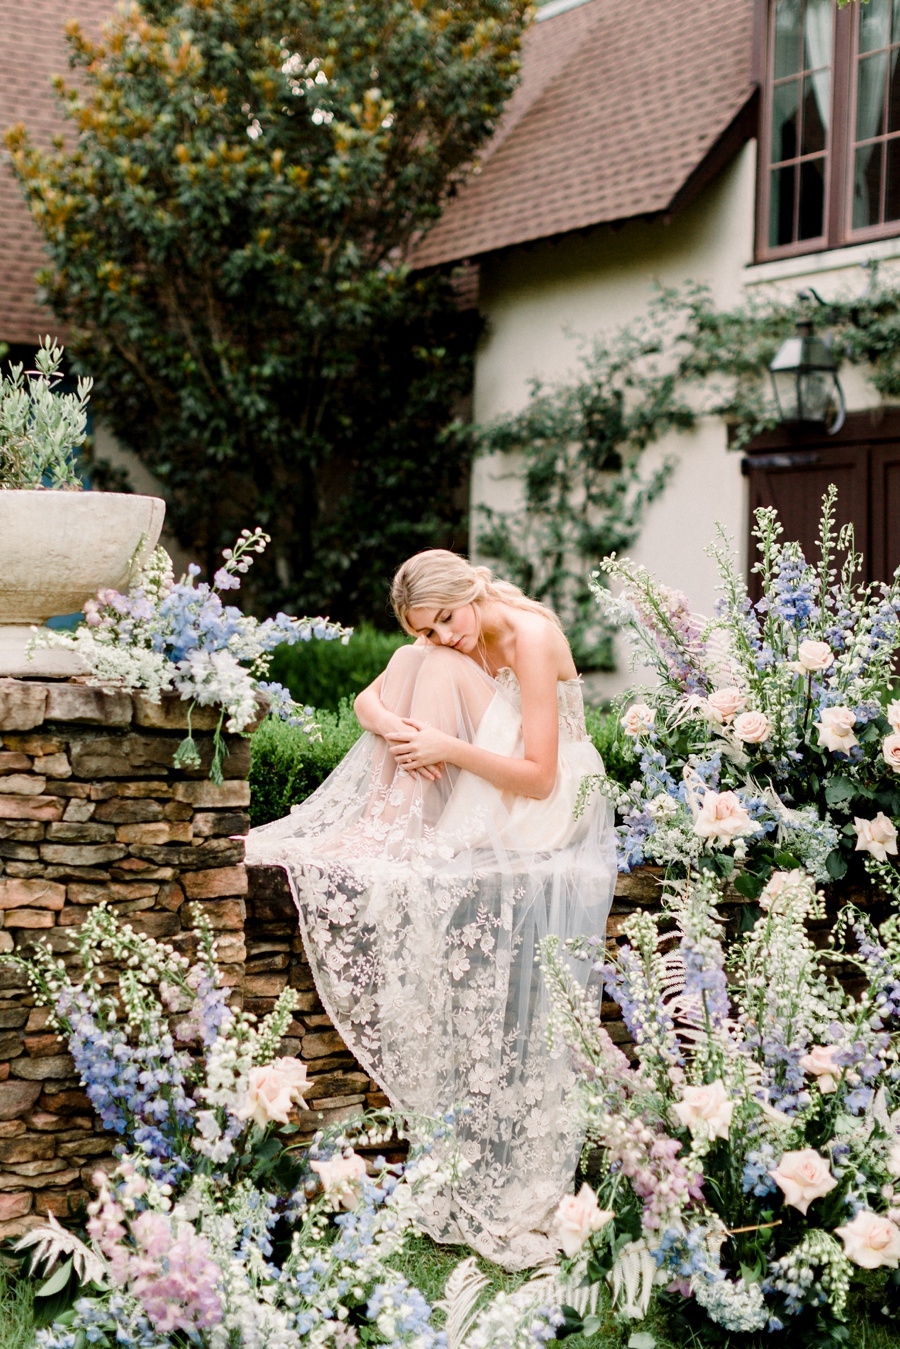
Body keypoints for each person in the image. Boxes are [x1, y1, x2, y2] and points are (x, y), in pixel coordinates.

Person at [245, 550, 616, 1269]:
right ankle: (390, 825)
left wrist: (440, 743)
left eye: (446, 618)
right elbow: (364, 700)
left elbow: (542, 777)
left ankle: (395, 828)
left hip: (552, 800)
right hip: (496, 776)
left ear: (473, 588)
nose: (444, 634)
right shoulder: (449, 641)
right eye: (427, 625)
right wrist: (398, 728)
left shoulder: (531, 637)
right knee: (421, 668)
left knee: (435, 671)